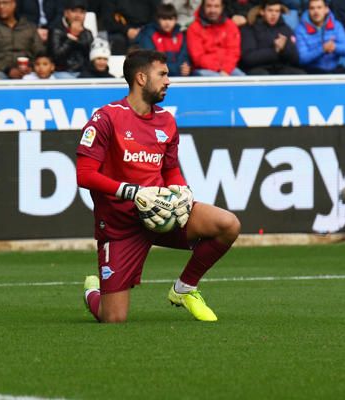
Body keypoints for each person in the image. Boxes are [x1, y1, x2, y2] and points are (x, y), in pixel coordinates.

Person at [76, 49, 241, 323]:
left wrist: (181, 189)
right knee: (113, 318)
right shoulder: (106, 118)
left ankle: (185, 288)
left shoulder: (166, 120)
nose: (168, 80)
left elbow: (169, 168)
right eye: (162, 74)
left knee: (228, 224)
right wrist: (134, 192)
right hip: (120, 226)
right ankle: (93, 292)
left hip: (162, 214)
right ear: (141, 78)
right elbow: (84, 175)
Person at [0, 0, 46, 79]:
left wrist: (31, 66)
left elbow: (39, 51)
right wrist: (7, 70)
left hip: (28, 71)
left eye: (5, 3)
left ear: (14, 4)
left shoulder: (29, 27)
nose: (1, 6)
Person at [240, 0, 304, 74]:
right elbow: (248, 58)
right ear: (262, 11)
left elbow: (295, 59)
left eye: (277, 11)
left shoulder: (285, 29)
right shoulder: (250, 28)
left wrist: (284, 48)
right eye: (270, 10)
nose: (274, 14)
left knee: (300, 74)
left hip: (281, 69)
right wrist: (274, 51)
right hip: (258, 69)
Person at [294, 0, 345, 74]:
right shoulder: (300, 29)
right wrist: (322, 49)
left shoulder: (336, 25)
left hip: (334, 68)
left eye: (319, 7)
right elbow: (302, 59)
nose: (315, 11)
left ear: (326, 9)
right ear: (308, 11)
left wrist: (334, 47)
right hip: (311, 71)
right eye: (312, 8)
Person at [187, 0, 244, 76]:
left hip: (228, 68)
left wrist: (226, 70)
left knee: (244, 80)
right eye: (209, 6)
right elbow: (198, 57)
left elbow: (234, 51)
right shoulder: (194, 28)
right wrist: (219, 69)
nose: (212, 10)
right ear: (203, 7)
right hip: (203, 69)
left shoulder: (230, 25)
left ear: (222, 7)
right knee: (217, 80)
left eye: (216, 6)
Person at [136, 3, 191, 77]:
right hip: (155, 77)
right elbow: (152, 62)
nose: (167, 22)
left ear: (176, 20)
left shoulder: (180, 35)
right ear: (158, 19)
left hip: (177, 77)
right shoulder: (148, 33)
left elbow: (184, 58)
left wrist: (186, 68)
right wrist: (177, 68)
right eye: (164, 19)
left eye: (170, 19)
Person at [48, 0, 93, 78]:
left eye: (82, 12)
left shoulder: (87, 33)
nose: (78, 15)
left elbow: (89, 55)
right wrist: (72, 36)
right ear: (66, 13)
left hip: (84, 73)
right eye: (74, 11)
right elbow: (57, 57)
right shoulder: (56, 31)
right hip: (62, 72)